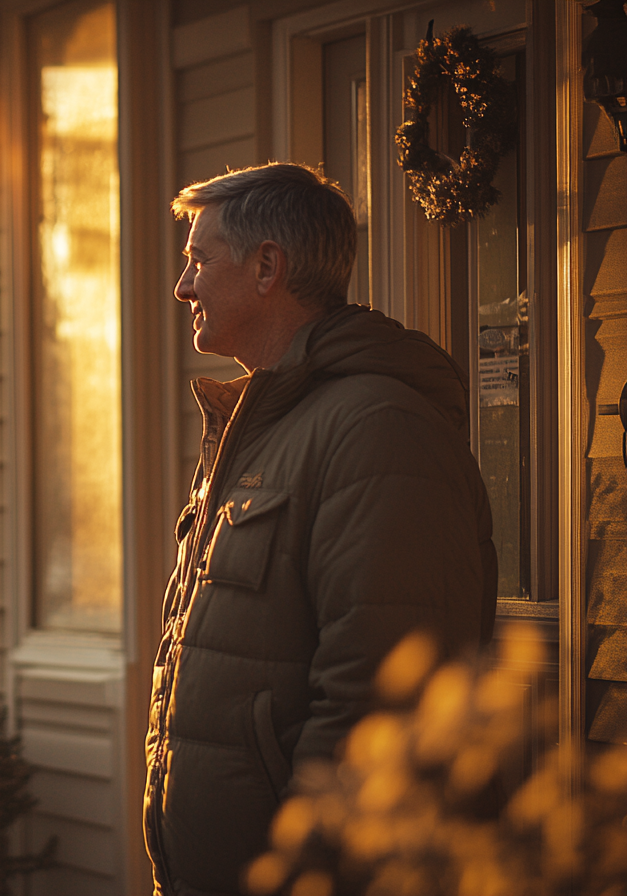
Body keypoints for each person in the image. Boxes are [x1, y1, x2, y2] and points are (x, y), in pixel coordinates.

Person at [143, 164, 496, 896]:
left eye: (199, 260)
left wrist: (306, 867)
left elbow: (382, 698)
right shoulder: (262, 429)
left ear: (268, 265)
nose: (184, 286)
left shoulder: (378, 431)